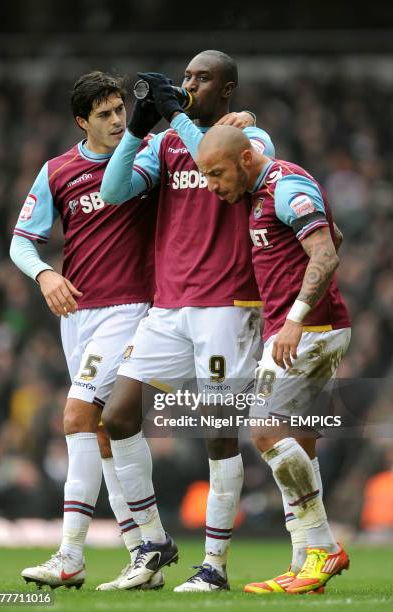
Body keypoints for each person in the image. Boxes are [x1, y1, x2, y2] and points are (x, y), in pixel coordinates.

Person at [99, 50, 275, 592]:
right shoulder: (166, 142)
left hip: (227, 305)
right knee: (118, 415)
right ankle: (152, 544)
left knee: (217, 432)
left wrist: (176, 116)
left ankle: (215, 567)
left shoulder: (255, 139)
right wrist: (137, 131)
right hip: (169, 306)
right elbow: (111, 192)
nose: (189, 84)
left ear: (226, 90)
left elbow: (214, 156)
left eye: (202, 79)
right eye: (186, 78)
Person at [9, 71, 163, 590]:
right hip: (77, 316)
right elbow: (22, 242)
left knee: (76, 416)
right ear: (82, 121)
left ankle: (70, 553)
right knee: (100, 436)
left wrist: (244, 122)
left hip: (130, 308)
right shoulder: (57, 171)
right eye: (105, 114)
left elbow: (200, 140)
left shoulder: (146, 155)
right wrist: (45, 273)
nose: (118, 120)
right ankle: (144, 552)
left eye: (120, 109)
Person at [195, 124, 352, 595]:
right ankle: (305, 562)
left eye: (217, 173)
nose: (212, 186)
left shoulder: (287, 185)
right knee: (299, 443)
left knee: (263, 427)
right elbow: (336, 234)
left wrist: (296, 316)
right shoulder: (259, 191)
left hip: (311, 332)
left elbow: (326, 253)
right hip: (299, 329)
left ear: (246, 160)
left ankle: (323, 547)